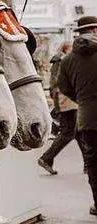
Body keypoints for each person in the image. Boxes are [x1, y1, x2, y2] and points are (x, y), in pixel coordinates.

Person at [56, 16, 97, 215]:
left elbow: (63, 87)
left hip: (88, 118)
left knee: (93, 163)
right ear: (95, 30)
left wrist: (83, 100)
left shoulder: (68, 60)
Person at [39, 39, 79, 175]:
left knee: (77, 132)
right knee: (68, 132)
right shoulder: (61, 61)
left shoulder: (65, 61)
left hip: (69, 99)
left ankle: (89, 162)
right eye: (71, 48)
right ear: (65, 49)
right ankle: (46, 158)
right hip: (66, 100)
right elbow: (56, 83)